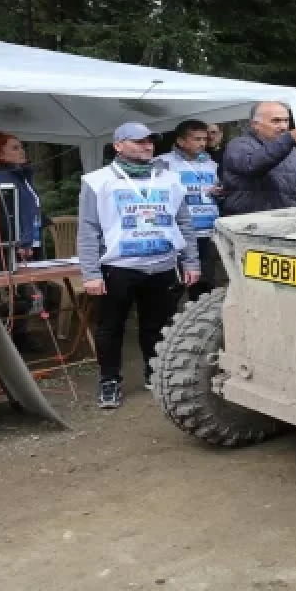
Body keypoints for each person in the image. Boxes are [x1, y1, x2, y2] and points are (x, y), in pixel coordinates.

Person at [77, 122, 200, 409]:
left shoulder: (170, 179)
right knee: (111, 327)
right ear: (118, 146)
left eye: (150, 141)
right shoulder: (98, 181)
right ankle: (109, 381)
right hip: (118, 268)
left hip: (162, 264)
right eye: (139, 141)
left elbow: (184, 222)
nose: (148, 146)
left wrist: (191, 260)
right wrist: (91, 273)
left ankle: (154, 372)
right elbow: (88, 229)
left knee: (157, 325)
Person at [156, 120, 221, 300]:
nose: (202, 143)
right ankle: (169, 324)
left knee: (204, 287)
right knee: (174, 287)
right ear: (181, 141)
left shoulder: (210, 163)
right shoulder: (163, 162)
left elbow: (213, 191)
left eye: (204, 139)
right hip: (180, 233)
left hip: (208, 231)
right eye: (196, 139)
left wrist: (220, 192)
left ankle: (200, 326)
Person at [220, 101, 296, 215]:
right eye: (276, 121)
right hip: (250, 224)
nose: (283, 127)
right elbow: (253, 165)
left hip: (287, 222)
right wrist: (288, 139)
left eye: (286, 120)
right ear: (255, 124)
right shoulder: (238, 145)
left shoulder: (292, 150)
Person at [0, 130, 45, 260]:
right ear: (0, 155)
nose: (22, 151)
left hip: (32, 240)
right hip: (17, 246)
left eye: (22, 147)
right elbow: (10, 215)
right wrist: (23, 242)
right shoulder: (1, 179)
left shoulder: (21, 176)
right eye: (15, 148)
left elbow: (29, 206)